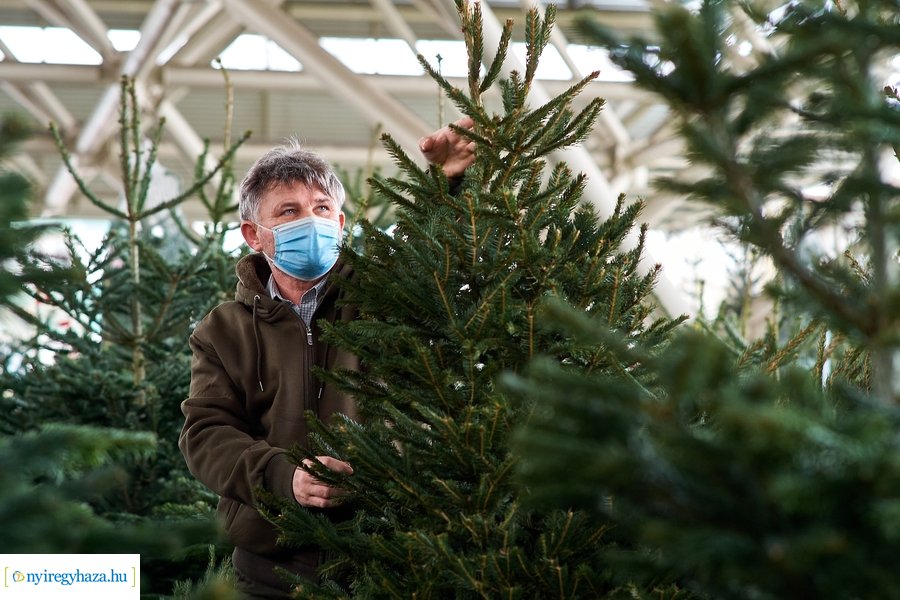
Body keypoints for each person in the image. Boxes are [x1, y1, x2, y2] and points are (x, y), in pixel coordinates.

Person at [178, 118, 475, 599]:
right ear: (254, 234)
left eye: (321, 208)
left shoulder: (382, 298)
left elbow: (432, 253)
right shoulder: (224, 330)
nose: (310, 221)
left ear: (339, 224)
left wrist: (449, 182)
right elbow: (206, 434)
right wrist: (284, 478)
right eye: (289, 211)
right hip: (271, 560)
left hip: (384, 549)